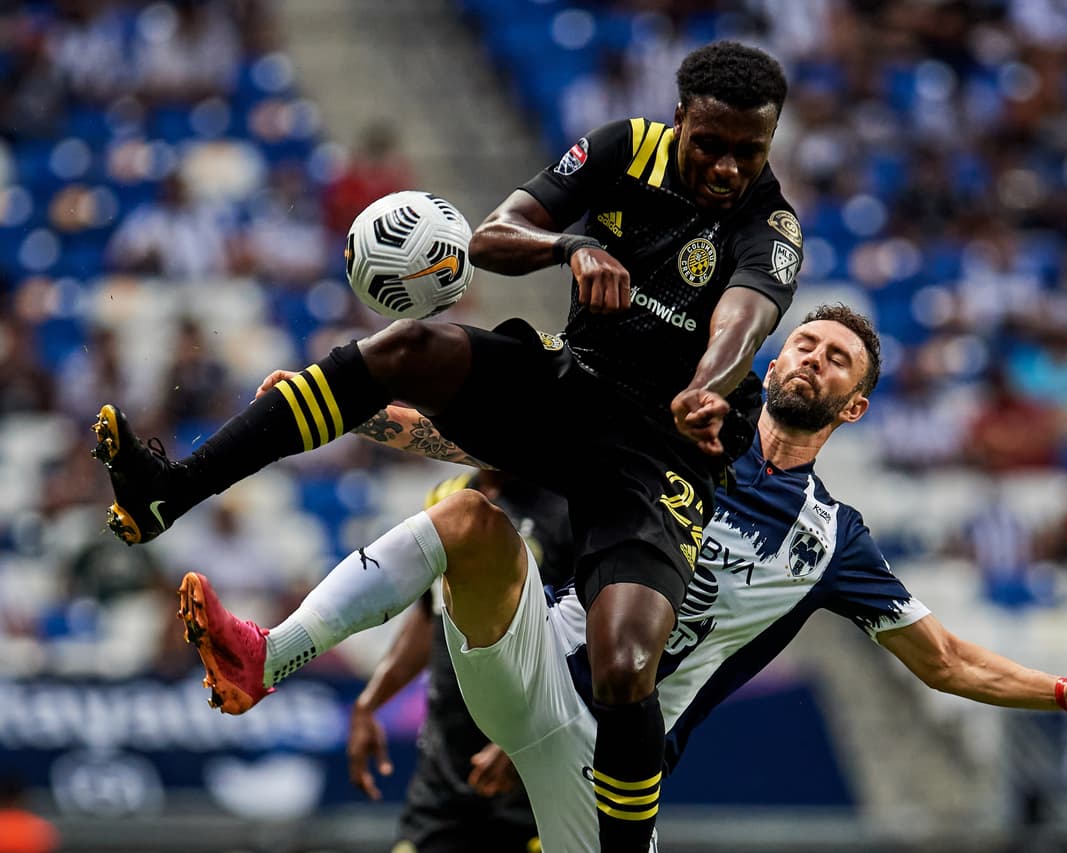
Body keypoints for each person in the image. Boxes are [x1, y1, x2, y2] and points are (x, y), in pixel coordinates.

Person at [95, 40, 800, 852]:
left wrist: (708, 386)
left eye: (749, 152)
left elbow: (742, 317)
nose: (726, 168)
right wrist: (570, 248)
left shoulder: (771, 224)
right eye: (710, 144)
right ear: (680, 118)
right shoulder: (621, 148)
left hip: (665, 448)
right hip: (574, 389)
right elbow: (495, 235)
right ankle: (167, 491)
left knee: (624, 665)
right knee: (402, 353)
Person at [175, 305, 1067, 852]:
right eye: (808, 341)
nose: (814, 357)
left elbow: (945, 658)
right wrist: (361, 411)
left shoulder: (834, 541)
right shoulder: (668, 435)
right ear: (776, 355)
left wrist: (1058, 693)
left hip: (611, 767)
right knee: (470, 518)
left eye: (836, 360)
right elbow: (497, 450)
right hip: (534, 667)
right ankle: (267, 653)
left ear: (854, 406)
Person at [352, 470, 573, 853]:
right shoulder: (447, 497)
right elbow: (428, 613)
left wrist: (528, 738)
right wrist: (369, 702)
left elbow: (581, 638)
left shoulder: (571, 508)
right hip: (443, 777)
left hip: (532, 782)